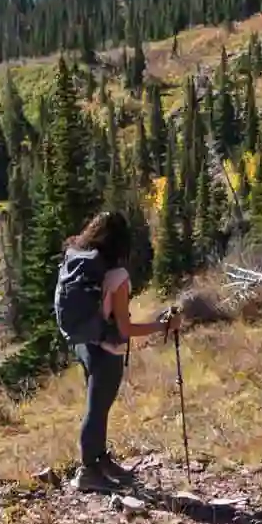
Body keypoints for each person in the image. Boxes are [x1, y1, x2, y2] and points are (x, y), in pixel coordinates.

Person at [56, 209, 180, 491]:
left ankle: (100, 459)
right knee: (97, 409)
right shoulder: (117, 276)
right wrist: (162, 326)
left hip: (85, 343)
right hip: (106, 350)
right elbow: (125, 329)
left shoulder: (78, 258)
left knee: (96, 405)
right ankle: (88, 470)